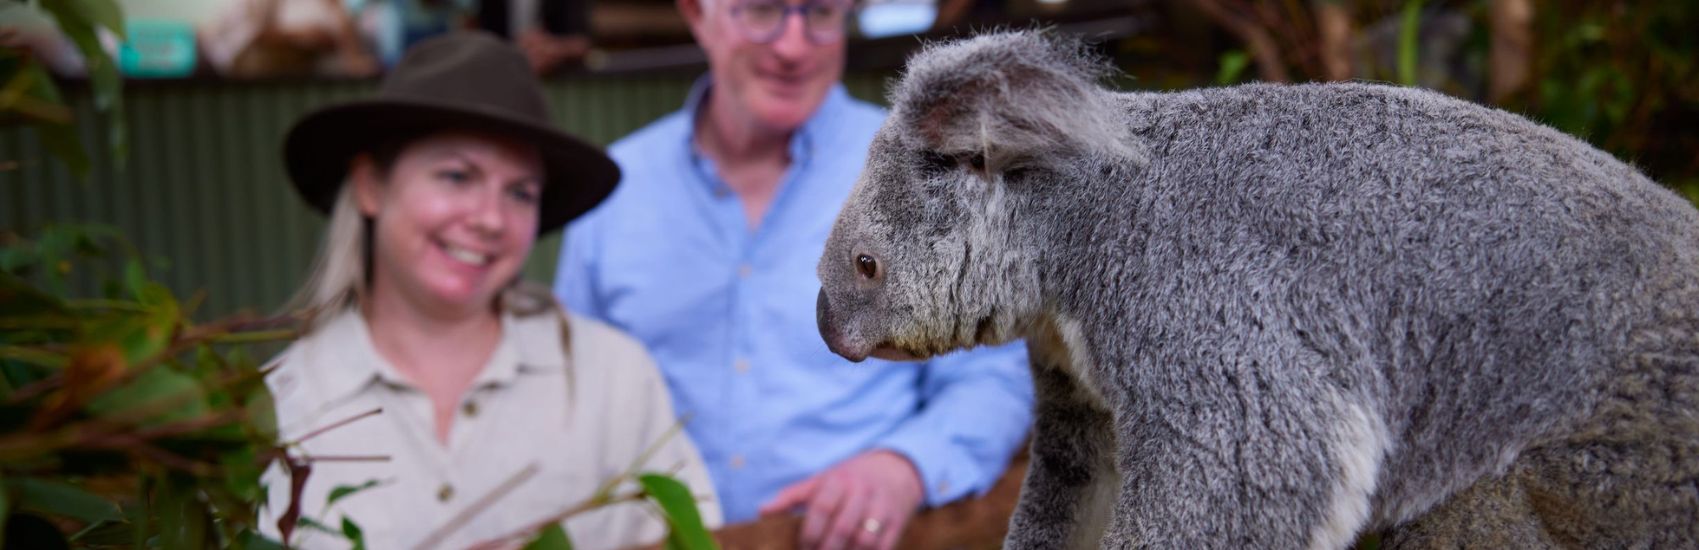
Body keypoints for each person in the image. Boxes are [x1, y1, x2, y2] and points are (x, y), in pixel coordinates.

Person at [552, 1, 1033, 549]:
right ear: (695, 15)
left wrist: (906, 466)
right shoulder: (618, 191)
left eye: (821, 13)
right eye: (761, 11)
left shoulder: (929, 177)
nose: (793, 46)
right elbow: (570, 394)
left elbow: (992, 377)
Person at [259, 31, 721, 549]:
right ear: (370, 185)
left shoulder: (611, 380)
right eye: (457, 176)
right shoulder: (281, 405)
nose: (489, 219)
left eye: (521, 192)